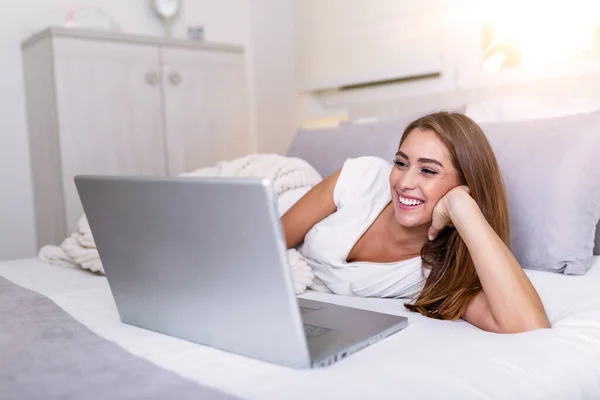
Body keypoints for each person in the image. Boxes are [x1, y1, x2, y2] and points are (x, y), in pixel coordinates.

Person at [281, 111, 551, 334]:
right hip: (279, 195)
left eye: (428, 170)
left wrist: (462, 208)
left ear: (466, 185)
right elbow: (270, 239)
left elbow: (527, 325)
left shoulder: (440, 276)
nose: (404, 182)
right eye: (401, 163)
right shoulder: (363, 177)